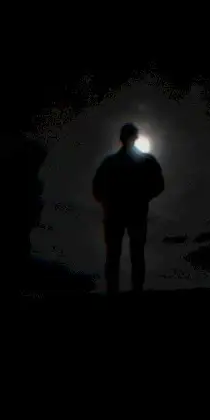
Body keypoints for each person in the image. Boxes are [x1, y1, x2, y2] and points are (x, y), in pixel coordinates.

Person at [93, 123, 165, 294]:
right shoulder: (145, 161)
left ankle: (117, 291)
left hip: (121, 214)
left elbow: (97, 188)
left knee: (120, 255)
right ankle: (131, 290)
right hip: (129, 214)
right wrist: (143, 197)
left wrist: (108, 202)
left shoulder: (112, 162)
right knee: (130, 255)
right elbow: (159, 185)